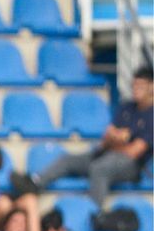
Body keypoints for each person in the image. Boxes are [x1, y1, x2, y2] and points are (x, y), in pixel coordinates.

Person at [23, 66, 152, 208]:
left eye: (141, 86)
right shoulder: (126, 107)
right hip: (105, 154)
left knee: (99, 168)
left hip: (130, 166)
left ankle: (94, 212)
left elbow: (134, 152)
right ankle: (35, 183)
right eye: (134, 85)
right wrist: (118, 139)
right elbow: (106, 138)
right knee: (68, 160)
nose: (135, 89)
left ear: (151, 87)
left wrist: (115, 141)